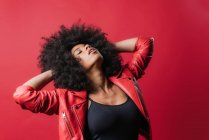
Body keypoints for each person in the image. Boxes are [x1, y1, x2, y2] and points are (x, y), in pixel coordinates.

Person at [13, 21, 154, 140]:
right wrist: (57, 69)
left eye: (89, 46)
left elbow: (145, 44)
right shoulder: (68, 99)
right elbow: (23, 95)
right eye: (79, 52)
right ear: (73, 65)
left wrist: (106, 49)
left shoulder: (126, 77)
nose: (87, 47)